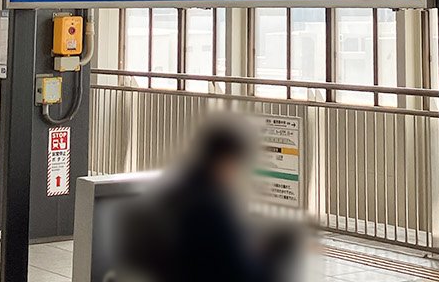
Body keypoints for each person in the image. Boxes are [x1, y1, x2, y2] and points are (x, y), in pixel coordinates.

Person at [117, 115, 304, 282]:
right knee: (283, 243)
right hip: (207, 273)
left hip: (178, 270)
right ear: (225, 161)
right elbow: (238, 270)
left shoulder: (179, 188)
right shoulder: (210, 204)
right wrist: (269, 257)